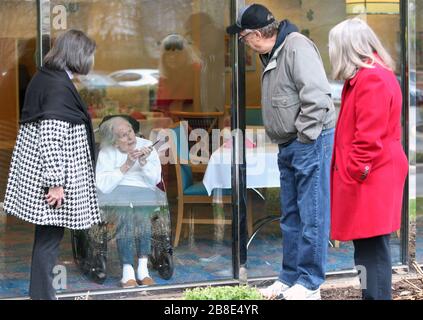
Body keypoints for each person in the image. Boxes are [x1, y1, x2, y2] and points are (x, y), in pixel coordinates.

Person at [227, 4, 335, 300]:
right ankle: (289, 277)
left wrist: (303, 138)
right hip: (289, 143)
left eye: (244, 37)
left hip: (308, 141)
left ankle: (311, 282)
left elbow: (317, 97)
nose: (244, 43)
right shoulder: (272, 52)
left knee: (311, 213)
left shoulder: (296, 47)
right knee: (290, 215)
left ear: (258, 33)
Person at [3, 29, 100, 300]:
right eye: (89, 54)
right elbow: (50, 137)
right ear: (77, 55)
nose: (91, 60)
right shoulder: (57, 86)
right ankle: (43, 296)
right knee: (48, 242)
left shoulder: (46, 78)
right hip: (56, 182)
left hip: (48, 176)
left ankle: (41, 294)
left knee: (46, 240)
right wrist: (56, 183)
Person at [328, 18, 408, 300]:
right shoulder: (369, 76)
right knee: (367, 251)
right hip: (373, 175)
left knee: (372, 251)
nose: (331, 51)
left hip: (372, 177)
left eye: (334, 46)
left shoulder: (371, 78)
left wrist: (353, 172)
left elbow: (367, 138)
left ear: (347, 48)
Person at [96, 116, 163, 288]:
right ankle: (127, 270)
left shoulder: (146, 145)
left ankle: (142, 268)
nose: (130, 138)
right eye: (123, 136)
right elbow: (103, 185)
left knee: (142, 212)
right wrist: (126, 165)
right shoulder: (107, 151)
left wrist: (143, 162)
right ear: (114, 141)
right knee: (124, 213)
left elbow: (155, 179)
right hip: (117, 191)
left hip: (143, 191)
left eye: (130, 132)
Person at [154, 34, 201, 117]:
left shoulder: (195, 71)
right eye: (168, 54)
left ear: (186, 55)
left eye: (177, 53)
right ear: (163, 58)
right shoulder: (164, 78)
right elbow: (159, 109)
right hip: (168, 124)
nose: (172, 57)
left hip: (193, 123)